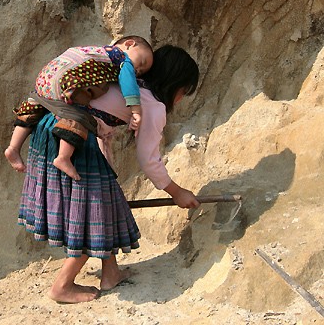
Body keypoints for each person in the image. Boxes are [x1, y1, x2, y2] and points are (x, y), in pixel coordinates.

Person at [17, 44, 201, 303]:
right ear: (174, 85)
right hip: (73, 139)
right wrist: (177, 192)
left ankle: (111, 273)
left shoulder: (124, 82)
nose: (180, 98)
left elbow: (102, 124)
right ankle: (62, 285)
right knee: (92, 218)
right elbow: (149, 160)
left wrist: (106, 173)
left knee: (107, 205)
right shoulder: (152, 105)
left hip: (51, 130)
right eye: (184, 92)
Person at [5, 36, 153, 181]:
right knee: (78, 116)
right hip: (66, 81)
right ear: (129, 43)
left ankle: (13, 147)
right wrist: (136, 110)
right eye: (141, 62)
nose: (137, 70)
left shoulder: (95, 50)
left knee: (33, 107)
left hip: (45, 77)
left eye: (140, 72)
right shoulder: (121, 58)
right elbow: (129, 85)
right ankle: (63, 157)